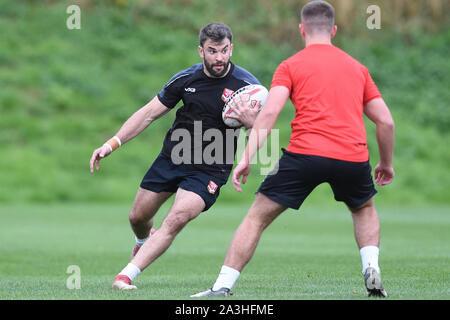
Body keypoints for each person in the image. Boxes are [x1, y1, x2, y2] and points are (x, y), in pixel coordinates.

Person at [191, 0, 395, 298]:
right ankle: (371, 268)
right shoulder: (357, 68)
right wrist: (386, 164)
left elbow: (270, 113)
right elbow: (386, 122)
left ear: (302, 30)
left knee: (257, 217)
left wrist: (247, 158)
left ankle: (222, 286)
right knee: (364, 208)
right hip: (352, 155)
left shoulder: (291, 65)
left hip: (305, 155)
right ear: (334, 30)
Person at [89, 22, 262, 290]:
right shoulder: (186, 79)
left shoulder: (248, 87)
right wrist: (112, 144)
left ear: (232, 48)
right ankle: (143, 243)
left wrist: (251, 130)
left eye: (225, 50)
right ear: (200, 51)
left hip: (211, 167)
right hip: (174, 157)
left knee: (177, 217)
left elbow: (262, 128)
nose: (219, 58)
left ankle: (125, 276)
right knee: (137, 217)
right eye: (212, 51)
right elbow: (148, 113)